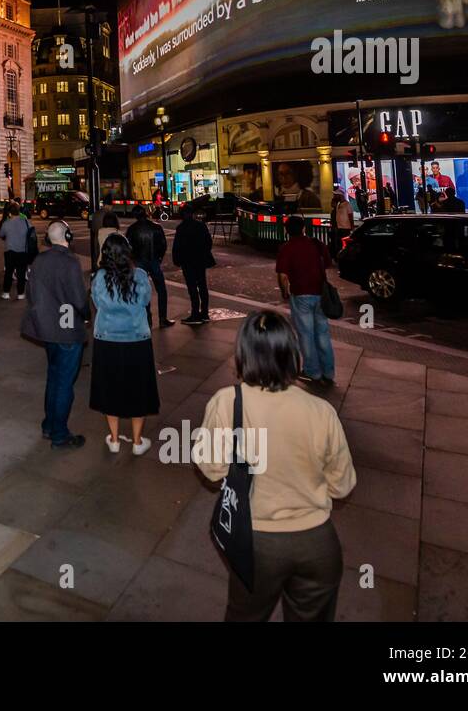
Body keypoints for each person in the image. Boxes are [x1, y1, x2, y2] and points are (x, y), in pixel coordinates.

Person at [197, 311, 357, 622]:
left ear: (243, 354)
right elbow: (343, 485)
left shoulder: (227, 402)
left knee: (245, 615)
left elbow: (211, 469)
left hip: (257, 545)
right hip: (317, 546)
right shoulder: (321, 411)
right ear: (294, 356)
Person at [20, 221, 89, 449]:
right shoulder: (70, 262)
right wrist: (86, 314)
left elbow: (31, 293)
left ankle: (49, 425)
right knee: (64, 383)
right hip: (66, 328)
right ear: (67, 235)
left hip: (46, 328)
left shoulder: (39, 260)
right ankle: (59, 433)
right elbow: (79, 300)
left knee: (53, 377)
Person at [90, 234, 160, 454]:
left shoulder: (99, 277)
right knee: (138, 388)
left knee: (111, 387)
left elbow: (97, 302)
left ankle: (114, 438)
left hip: (107, 338)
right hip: (136, 339)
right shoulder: (139, 275)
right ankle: (138, 442)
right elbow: (145, 301)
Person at [275, 214, 336, 385]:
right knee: (323, 334)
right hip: (320, 294)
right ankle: (329, 372)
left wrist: (284, 292)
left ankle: (312, 371)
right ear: (304, 228)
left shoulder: (287, 248)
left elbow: (283, 275)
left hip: (300, 294)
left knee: (306, 334)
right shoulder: (317, 244)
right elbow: (327, 264)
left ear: (287, 231)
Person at [129, 204, 174, 327]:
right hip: (154, 260)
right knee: (161, 290)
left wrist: (134, 258)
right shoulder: (156, 227)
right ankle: (162, 318)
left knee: (143, 290)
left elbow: (128, 247)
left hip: (140, 261)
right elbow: (163, 245)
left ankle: (147, 317)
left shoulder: (132, 229)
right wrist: (158, 258)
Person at [172, 204, 214, 324]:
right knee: (202, 286)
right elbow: (208, 242)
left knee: (192, 287)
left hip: (188, 261)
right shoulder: (201, 226)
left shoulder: (181, 228)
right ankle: (204, 313)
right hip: (200, 259)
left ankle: (195, 313)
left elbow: (177, 246)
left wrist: (177, 260)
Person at [0, 201, 31, 300]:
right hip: (23, 251)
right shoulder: (25, 221)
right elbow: (31, 232)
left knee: (9, 272)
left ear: (9, 213)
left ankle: (6, 293)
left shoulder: (6, 223)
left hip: (10, 251)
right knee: (21, 274)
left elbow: (1, 234)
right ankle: (20, 294)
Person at [330, 190, 354, 255]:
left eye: (336, 195)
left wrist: (352, 226)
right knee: (339, 244)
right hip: (339, 228)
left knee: (344, 244)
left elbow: (350, 216)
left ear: (340, 195)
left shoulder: (347, 204)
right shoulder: (338, 204)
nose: (334, 196)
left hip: (346, 228)